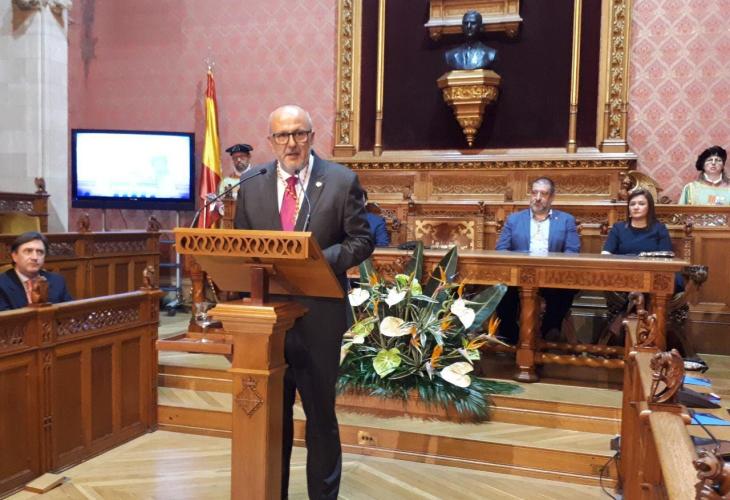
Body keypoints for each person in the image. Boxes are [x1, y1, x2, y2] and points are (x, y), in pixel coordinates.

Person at [233, 105, 373, 499]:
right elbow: (242, 244)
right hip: (267, 320)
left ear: (312, 136)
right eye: (282, 135)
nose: (291, 143)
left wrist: (316, 261)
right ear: (270, 141)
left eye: (299, 133)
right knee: (271, 419)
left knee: (320, 419)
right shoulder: (251, 183)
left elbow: (362, 240)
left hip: (320, 318)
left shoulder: (341, 181)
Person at [495, 177, 580, 343]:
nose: (538, 198)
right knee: (502, 290)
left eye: (543, 194)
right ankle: (511, 337)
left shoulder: (566, 220)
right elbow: (501, 249)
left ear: (552, 197)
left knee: (565, 290)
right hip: (519, 275)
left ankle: (549, 332)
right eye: (534, 193)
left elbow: (572, 251)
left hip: (552, 275)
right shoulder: (514, 219)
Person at [0, 231, 73, 310]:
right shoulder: (2, 284)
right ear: (15, 256)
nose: (35, 257)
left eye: (40, 252)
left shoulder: (57, 281)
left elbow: (71, 312)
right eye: (28, 251)